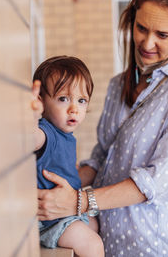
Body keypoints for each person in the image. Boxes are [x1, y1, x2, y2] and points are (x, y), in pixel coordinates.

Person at [37, 0, 168, 256]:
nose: (147, 42)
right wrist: (48, 183)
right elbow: (102, 159)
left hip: (153, 246)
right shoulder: (119, 84)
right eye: (141, 27)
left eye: (162, 35)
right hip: (108, 240)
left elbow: (157, 180)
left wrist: (78, 201)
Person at [30, 56, 104, 256]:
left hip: (65, 212)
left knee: (96, 224)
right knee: (93, 244)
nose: (74, 109)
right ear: (42, 101)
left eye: (81, 100)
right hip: (50, 219)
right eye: (63, 98)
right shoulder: (47, 132)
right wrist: (32, 117)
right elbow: (31, 138)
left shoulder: (65, 135)